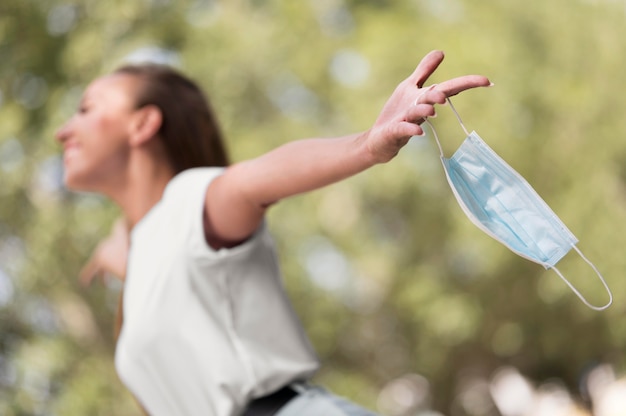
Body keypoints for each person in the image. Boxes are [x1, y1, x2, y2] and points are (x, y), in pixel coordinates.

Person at [56, 50, 491, 416]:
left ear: (142, 124)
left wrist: (364, 145)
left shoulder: (188, 199)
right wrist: (126, 258)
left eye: (86, 108)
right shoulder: (159, 248)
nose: (64, 131)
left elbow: (251, 181)